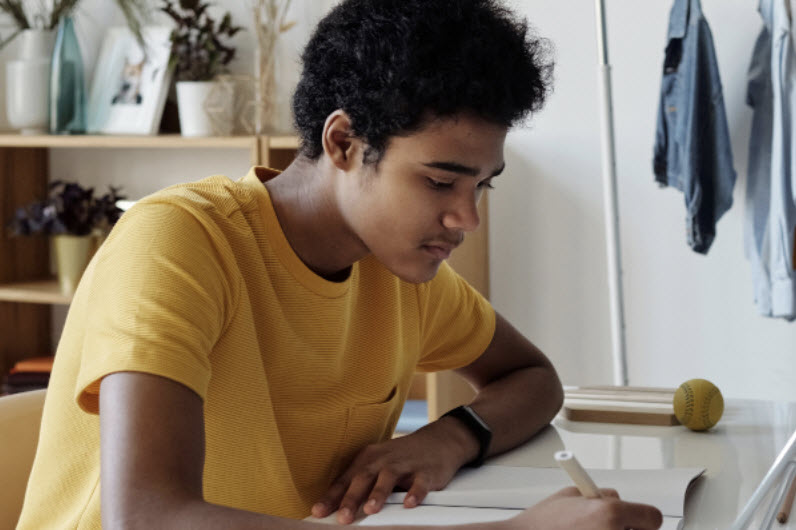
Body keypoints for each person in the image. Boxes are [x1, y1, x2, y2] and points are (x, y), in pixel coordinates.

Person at [16, 0, 663, 528]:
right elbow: (150, 517)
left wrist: (449, 438)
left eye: (483, 185)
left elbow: (532, 377)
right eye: (441, 182)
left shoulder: (400, 272)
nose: (467, 219)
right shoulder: (181, 242)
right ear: (344, 143)